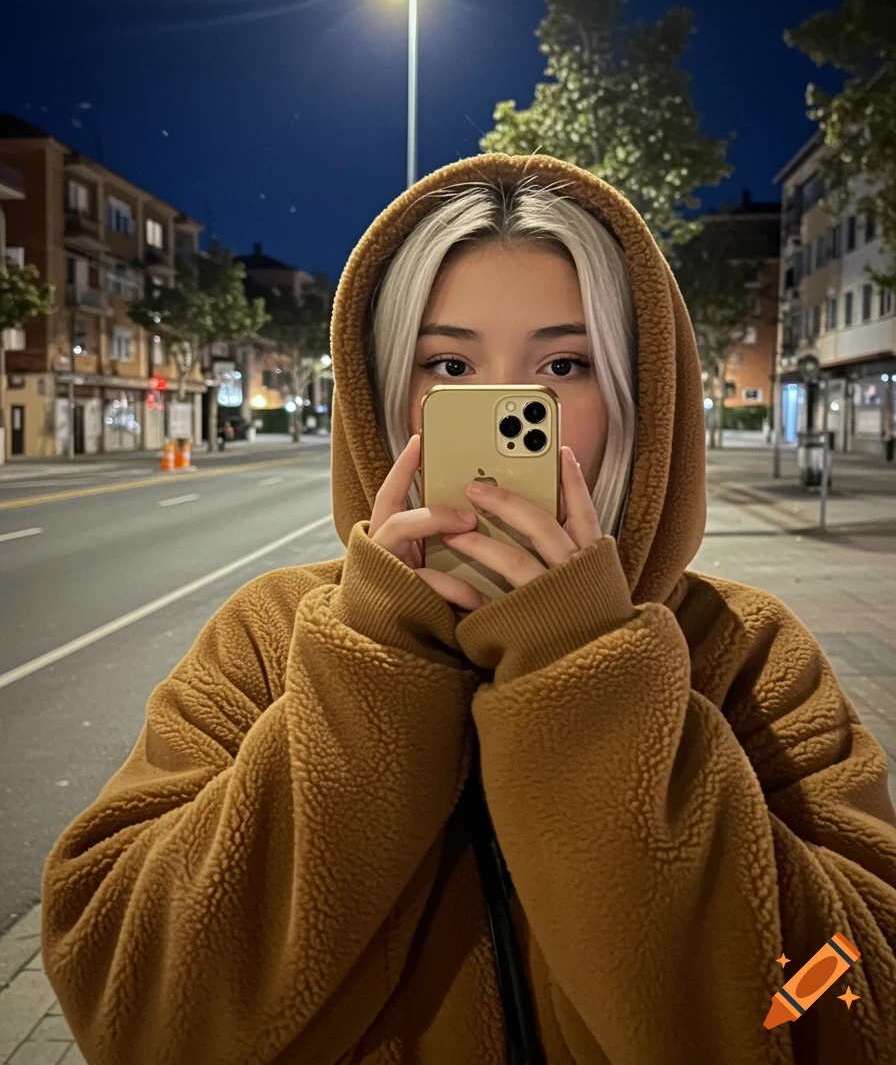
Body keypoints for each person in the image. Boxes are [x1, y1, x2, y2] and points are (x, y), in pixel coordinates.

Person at [41, 155, 896, 1064]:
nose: (501, 405)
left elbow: (851, 997)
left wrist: (588, 676)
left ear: (636, 395)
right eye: (448, 364)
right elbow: (132, 1004)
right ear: (384, 396)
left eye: (564, 364)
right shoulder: (270, 638)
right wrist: (372, 667)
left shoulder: (748, 653)